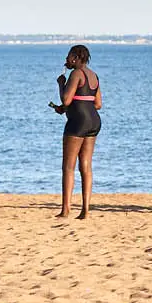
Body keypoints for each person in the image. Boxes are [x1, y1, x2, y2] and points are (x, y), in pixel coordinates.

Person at [50, 44, 101, 219]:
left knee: (68, 167)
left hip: (78, 122)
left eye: (69, 56)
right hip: (94, 121)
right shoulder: (93, 76)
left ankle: (66, 210)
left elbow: (66, 99)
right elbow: (97, 104)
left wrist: (61, 85)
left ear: (76, 58)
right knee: (86, 166)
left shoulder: (76, 74)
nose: (66, 59)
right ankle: (85, 210)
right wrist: (65, 109)